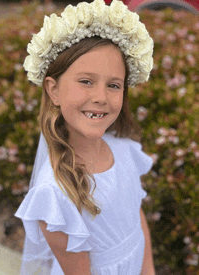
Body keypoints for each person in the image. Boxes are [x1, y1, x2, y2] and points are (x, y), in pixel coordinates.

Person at [15, 0, 155, 274]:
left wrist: (148, 270)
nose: (101, 97)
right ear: (53, 90)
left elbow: (136, 218)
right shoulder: (55, 193)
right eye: (86, 81)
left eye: (113, 85)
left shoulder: (124, 151)